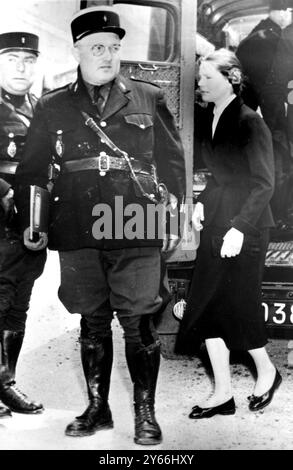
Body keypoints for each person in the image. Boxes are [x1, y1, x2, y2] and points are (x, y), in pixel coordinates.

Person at [15, 7, 185, 444]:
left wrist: (177, 216)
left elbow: (172, 163)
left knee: (139, 321)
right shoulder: (53, 104)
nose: (107, 56)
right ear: (77, 51)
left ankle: (144, 414)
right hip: (77, 223)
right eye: (96, 48)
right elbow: (32, 171)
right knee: (92, 321)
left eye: (112, 47)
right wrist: (34, 222)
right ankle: (97, 408)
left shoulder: (147, 96)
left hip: (135, 218)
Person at [176, 48, 281, 418]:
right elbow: (222, 175)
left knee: (240, 307)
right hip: (217, 220)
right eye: (199, 78)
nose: (199, 83)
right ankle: (222, 393)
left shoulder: (250, 121)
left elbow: (264, 184)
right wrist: (203, 201)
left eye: (207, 77)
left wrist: (240, 228)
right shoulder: (212, 117)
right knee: (205, 306)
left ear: (232, 78)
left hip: (245, 226)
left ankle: (267, 370)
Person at [0, 32, 47, 419]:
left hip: (32, 220)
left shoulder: (39, 107)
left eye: (28, 60)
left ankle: (6, 381)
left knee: (19, 306)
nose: (21, 67)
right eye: (12, 58)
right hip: (1, 217)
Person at [236, 0, 293, 227]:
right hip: (270, 112)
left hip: (249, 111)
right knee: (280, 162)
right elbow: (276, 82)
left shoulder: (254, 35)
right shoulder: (275, 38)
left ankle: (274, 215)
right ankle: (278, 217)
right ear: (283, 12)